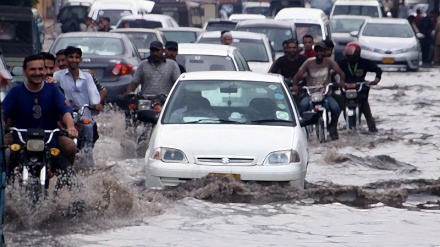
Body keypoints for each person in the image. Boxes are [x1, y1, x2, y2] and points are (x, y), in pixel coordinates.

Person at [2, 54, 78, 169]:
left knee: (70, 146)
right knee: (4, 152)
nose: (37, 73)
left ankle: (63, 182)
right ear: (24, 71)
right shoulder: (15, 92)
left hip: (50, 140)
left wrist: (70, 126)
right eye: (32, 69)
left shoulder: (52, 89)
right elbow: (3, 113)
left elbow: (65, 110)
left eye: (40, 69)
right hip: (20, 140)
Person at [292, 41, 346, 140]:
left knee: (336, 108)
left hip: (326, 94)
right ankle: (301, 131)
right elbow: (297, 76)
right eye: (317, 51)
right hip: (311, 94)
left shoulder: (329, 62)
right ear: (314, 52)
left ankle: (332, 126)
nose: (319, 53)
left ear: (325, 52)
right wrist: (295, 85)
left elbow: (341, 72)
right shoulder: (308, 62)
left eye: (321, 51)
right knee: (302, 107)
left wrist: (341, 81)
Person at [53, 46, 102, 148]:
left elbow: (93, 91)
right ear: (66, 59)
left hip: (84, 113)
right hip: (65, 113)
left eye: (77, 57)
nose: (74, 60)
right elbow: (54, 91)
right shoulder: (57, 75)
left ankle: (87, 158)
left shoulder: (87, 76)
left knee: (88, 126)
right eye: (71, 57)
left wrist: (95, 103)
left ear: (80, 59)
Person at [337, 42, 382, 132]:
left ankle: (372, 128)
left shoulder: (364, 62)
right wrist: (337, 82)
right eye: (348, 56)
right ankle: (333, 128)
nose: (350, 58)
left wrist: (376, 80)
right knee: (339, 106)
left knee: (366, 108)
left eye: (352, 56)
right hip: (346, 89)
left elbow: (378, 70)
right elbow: (332, 71)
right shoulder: (341, 63)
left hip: (360, 90)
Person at [268, 39, 307, 105]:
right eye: (290, 48)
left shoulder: (303, 59)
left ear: (297, 48)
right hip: (285, 88)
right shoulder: (281, 60)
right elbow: (271, 74)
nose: (292, 50)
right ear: (287, 49)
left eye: (294, 48)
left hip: (301, 89)